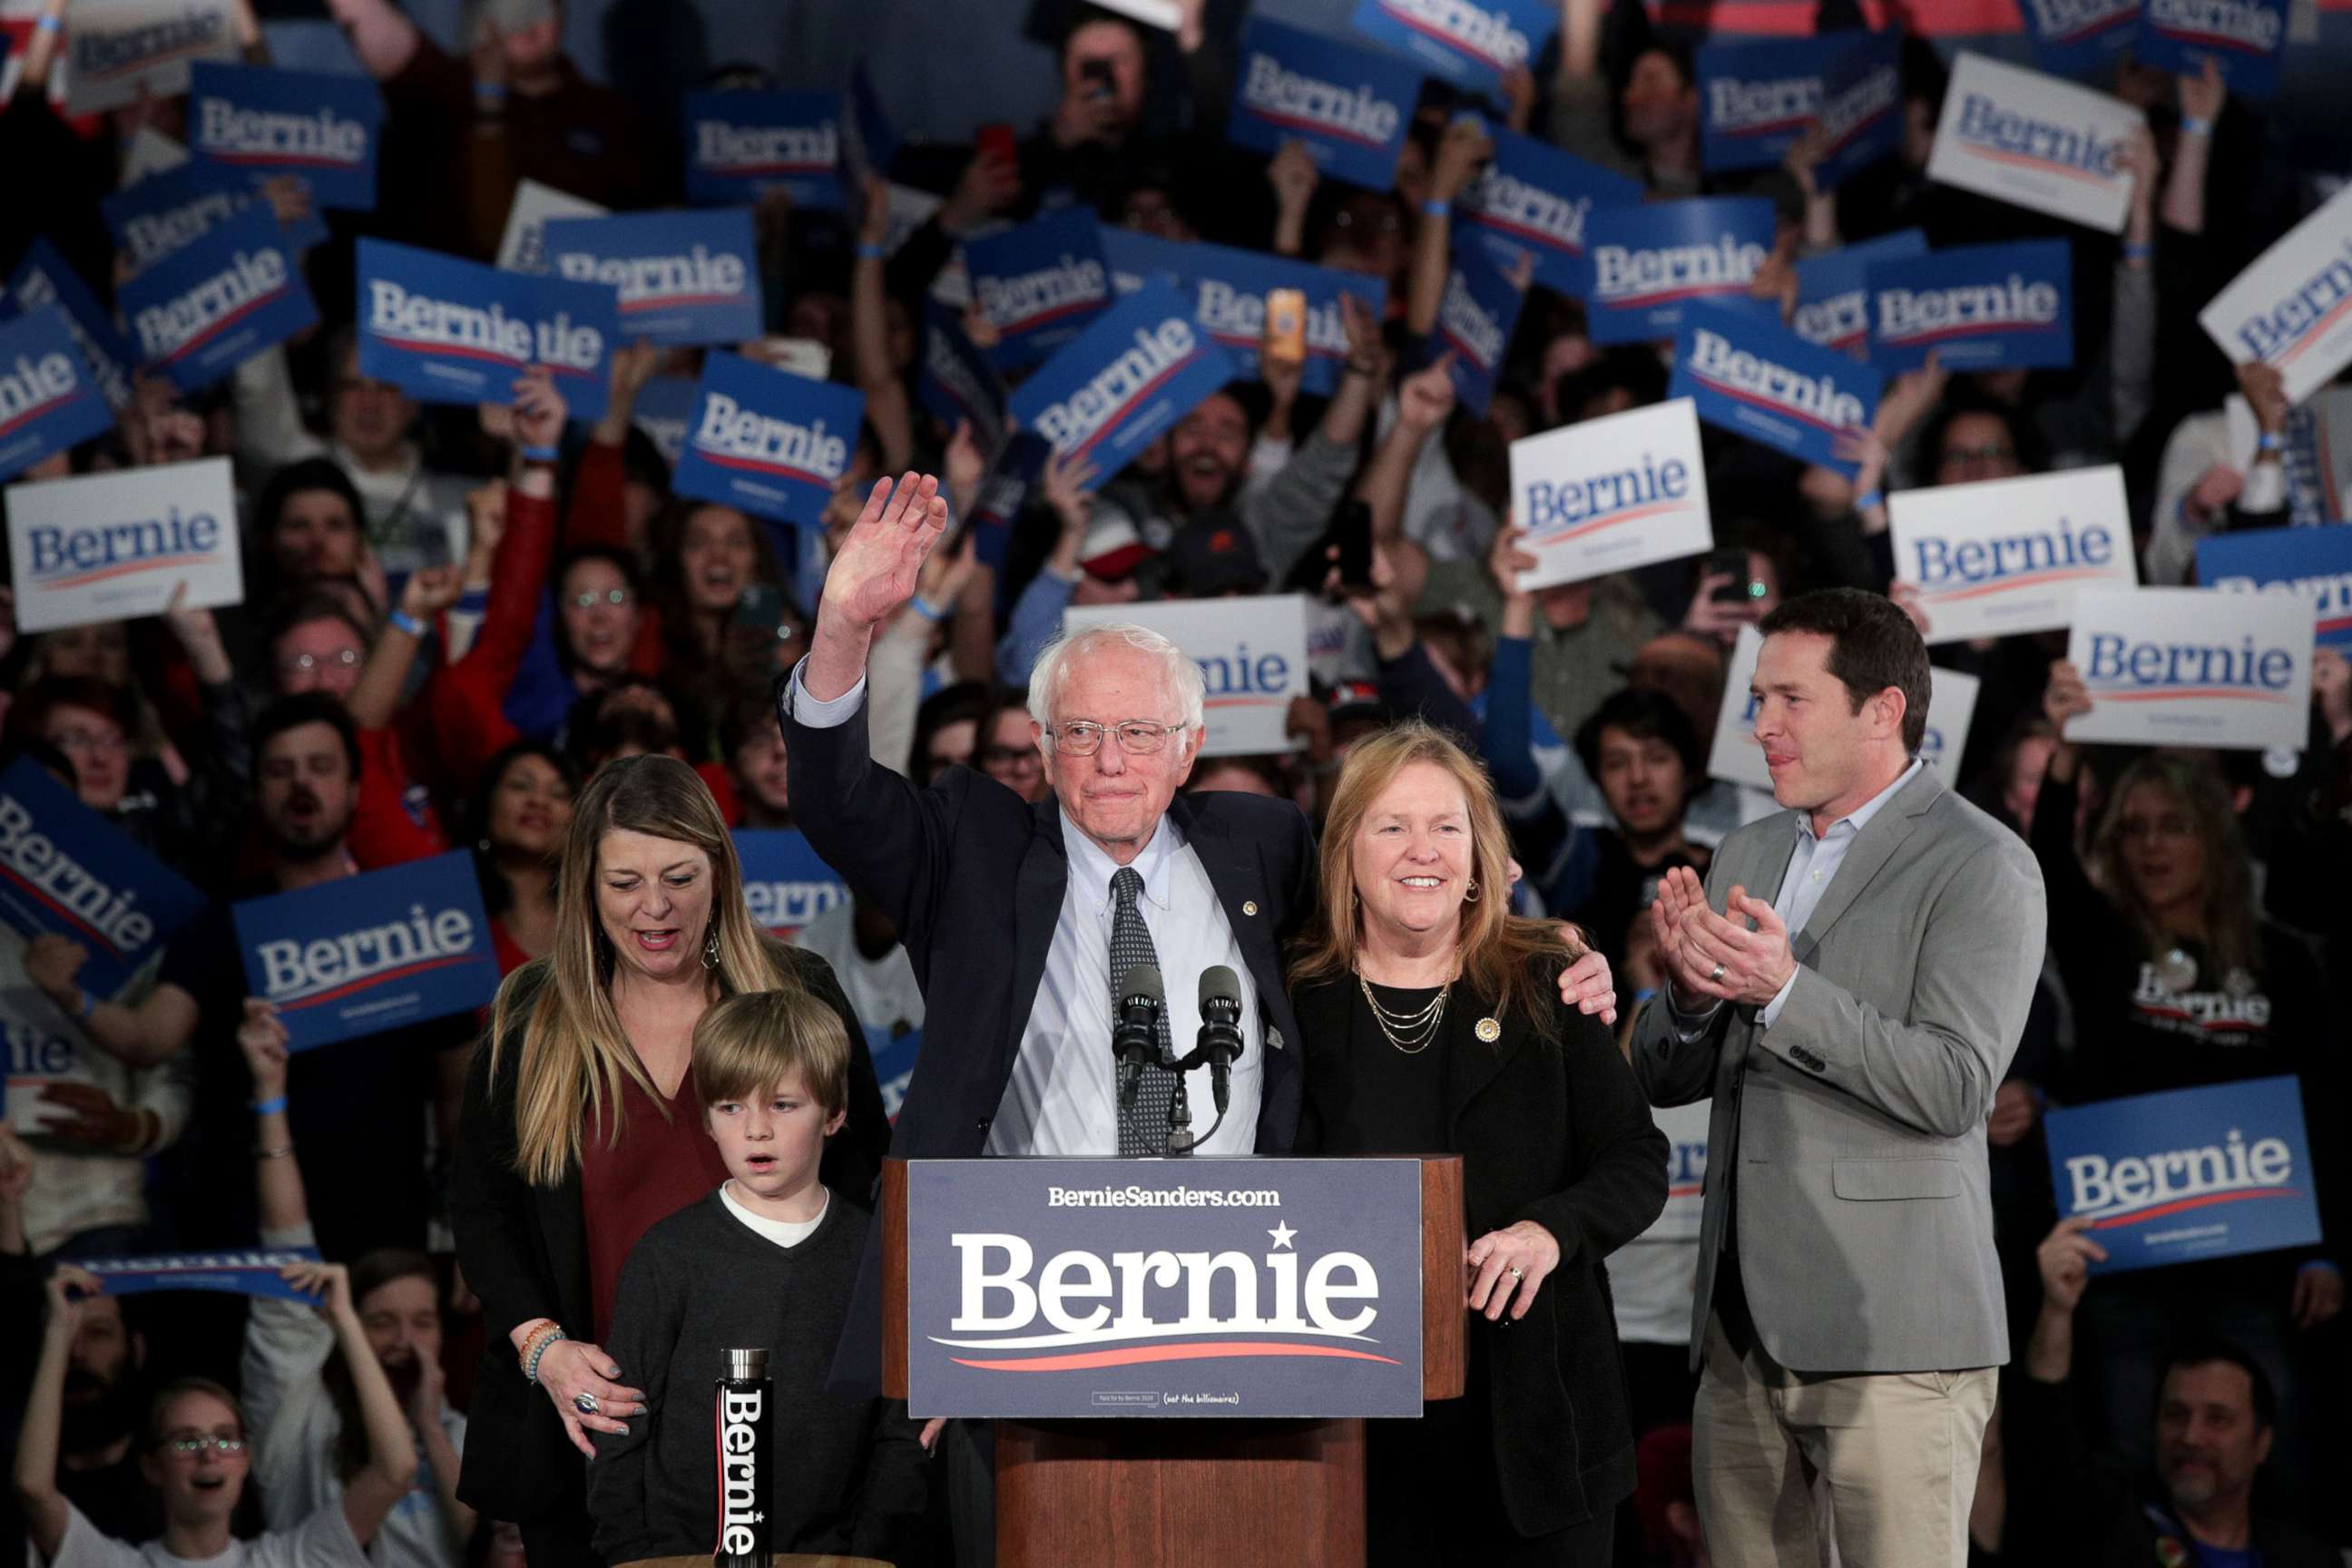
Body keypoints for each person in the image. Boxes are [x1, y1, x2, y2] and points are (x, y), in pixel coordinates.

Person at [1629, 588, 2046, 1566]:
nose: (1760, 725)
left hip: (1892, 1334)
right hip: (1738, 1339)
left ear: (1882, 711)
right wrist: (1688, 998)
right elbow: (1664, 1073)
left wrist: (1783, 992)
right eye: (1757, 698)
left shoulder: (1982, 863)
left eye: (1788, 699)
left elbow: (1954, 1087)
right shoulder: (1749, 847)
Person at [448, 754, 887, 1568]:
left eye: (679, 877)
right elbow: (481, 1209)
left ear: (719, 872)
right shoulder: (529, 1019)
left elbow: (872, 1191)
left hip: (791, 1429)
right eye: (624, 883)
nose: (655, 908)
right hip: (589, 1429)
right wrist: (543, 1349)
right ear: (586, 883)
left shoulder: (799, 992)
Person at [1290, 720, 1668, 1565]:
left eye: (1446, 827)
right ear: (1346, 848)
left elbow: (1637, 1160)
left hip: (1537, 1425)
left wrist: (1550, 1231)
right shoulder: (1295, 998)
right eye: (1391, 825)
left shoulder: (1546, 981)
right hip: (1355, 1433)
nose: (1421, 850)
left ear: (1480, 855)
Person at [587, 989, 926, 1563]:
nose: (756, 1130)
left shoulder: (881, 1256)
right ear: (708, 1120)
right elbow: (622, 1427)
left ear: (836, 1113)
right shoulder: (667, 1256)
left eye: (784, 1105)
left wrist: (868, 1553)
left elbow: (899, 1433)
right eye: (731, 1107)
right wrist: (634, 1558)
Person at [240, 1004, 472, 1566]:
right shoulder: (297, 1405)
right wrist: (269, 1093)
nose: (404, 1341)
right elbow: (285, 1239)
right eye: (381, 1322)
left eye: (422, 1322)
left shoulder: (459, 1433)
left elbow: (486, 1548)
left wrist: (428, 1429)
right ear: (345, 1326)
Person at [17, 1260, 417, 1567]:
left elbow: (395, 1470)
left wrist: (346, 1321)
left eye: (226, 1438)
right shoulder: (116, 1563)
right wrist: (57, 1335)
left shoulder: (290, 1558)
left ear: (246, 1459)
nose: (209, 1455)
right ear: (153, 1467)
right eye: (187, 1440)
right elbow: (34, 1487)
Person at [2002, 1217, 2337, 1567]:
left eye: (2218, 1419)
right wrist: (2057, 1310)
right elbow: (2047, 1441)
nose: (2191, 1437)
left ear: (2263, 1442)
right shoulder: (2112, 1530)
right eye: (2175, 1415)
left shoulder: (2313, 1559)